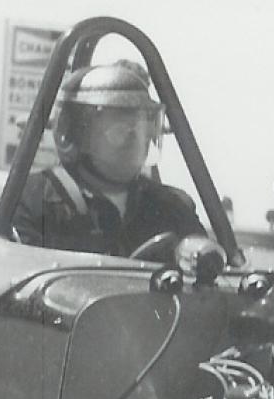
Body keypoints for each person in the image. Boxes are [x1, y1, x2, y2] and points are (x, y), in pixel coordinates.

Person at [12, 60, 205, 254]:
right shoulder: (33, 200)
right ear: (75, 132)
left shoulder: (174, 207)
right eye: (119, 130)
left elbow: (211, 266)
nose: (134, 141)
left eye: (141, 130)